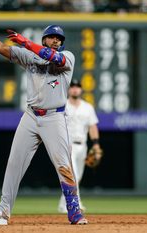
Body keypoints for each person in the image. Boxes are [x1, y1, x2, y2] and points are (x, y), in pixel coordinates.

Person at [0, 16, 88, 225]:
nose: (55, 40)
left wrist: (26, 42)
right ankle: (3, 209)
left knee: (63, 164)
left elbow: (54, 58)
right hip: (31, 115)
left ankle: (74, 211)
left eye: (58, 38)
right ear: (44, 40)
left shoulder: (67, 58)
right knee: (14, 162)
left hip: (54, 117)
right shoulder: (29, 57)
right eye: (51, 37)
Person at [57, 79, 102, 213]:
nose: (75, 89)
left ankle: (62, 204)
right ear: (69, 90)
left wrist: (96, 144)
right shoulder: (62, 106)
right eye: (73, 87)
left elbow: (92, 126)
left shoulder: (87, 107)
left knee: (78, 177)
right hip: (67, 145)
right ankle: (75, 204)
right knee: (74, 175)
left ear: (81, 90)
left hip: (82, 145)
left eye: (77, 87)